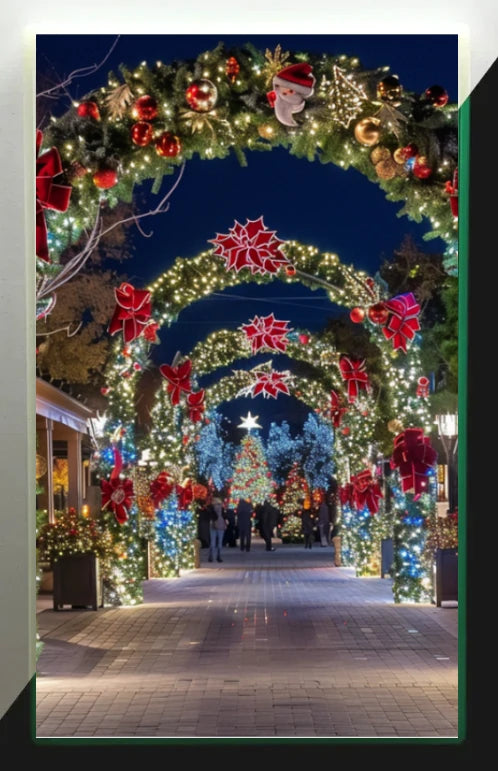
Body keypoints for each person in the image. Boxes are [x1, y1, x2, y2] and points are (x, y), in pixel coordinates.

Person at [207, 497, 227, 563]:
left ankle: (211, 556)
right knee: (219, 542)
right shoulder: (221, 509)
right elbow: (224, 517)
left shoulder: (211, 508)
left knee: (213, 542)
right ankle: (218, 556)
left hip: (214, 526)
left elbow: (211, 516)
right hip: (220, 526)